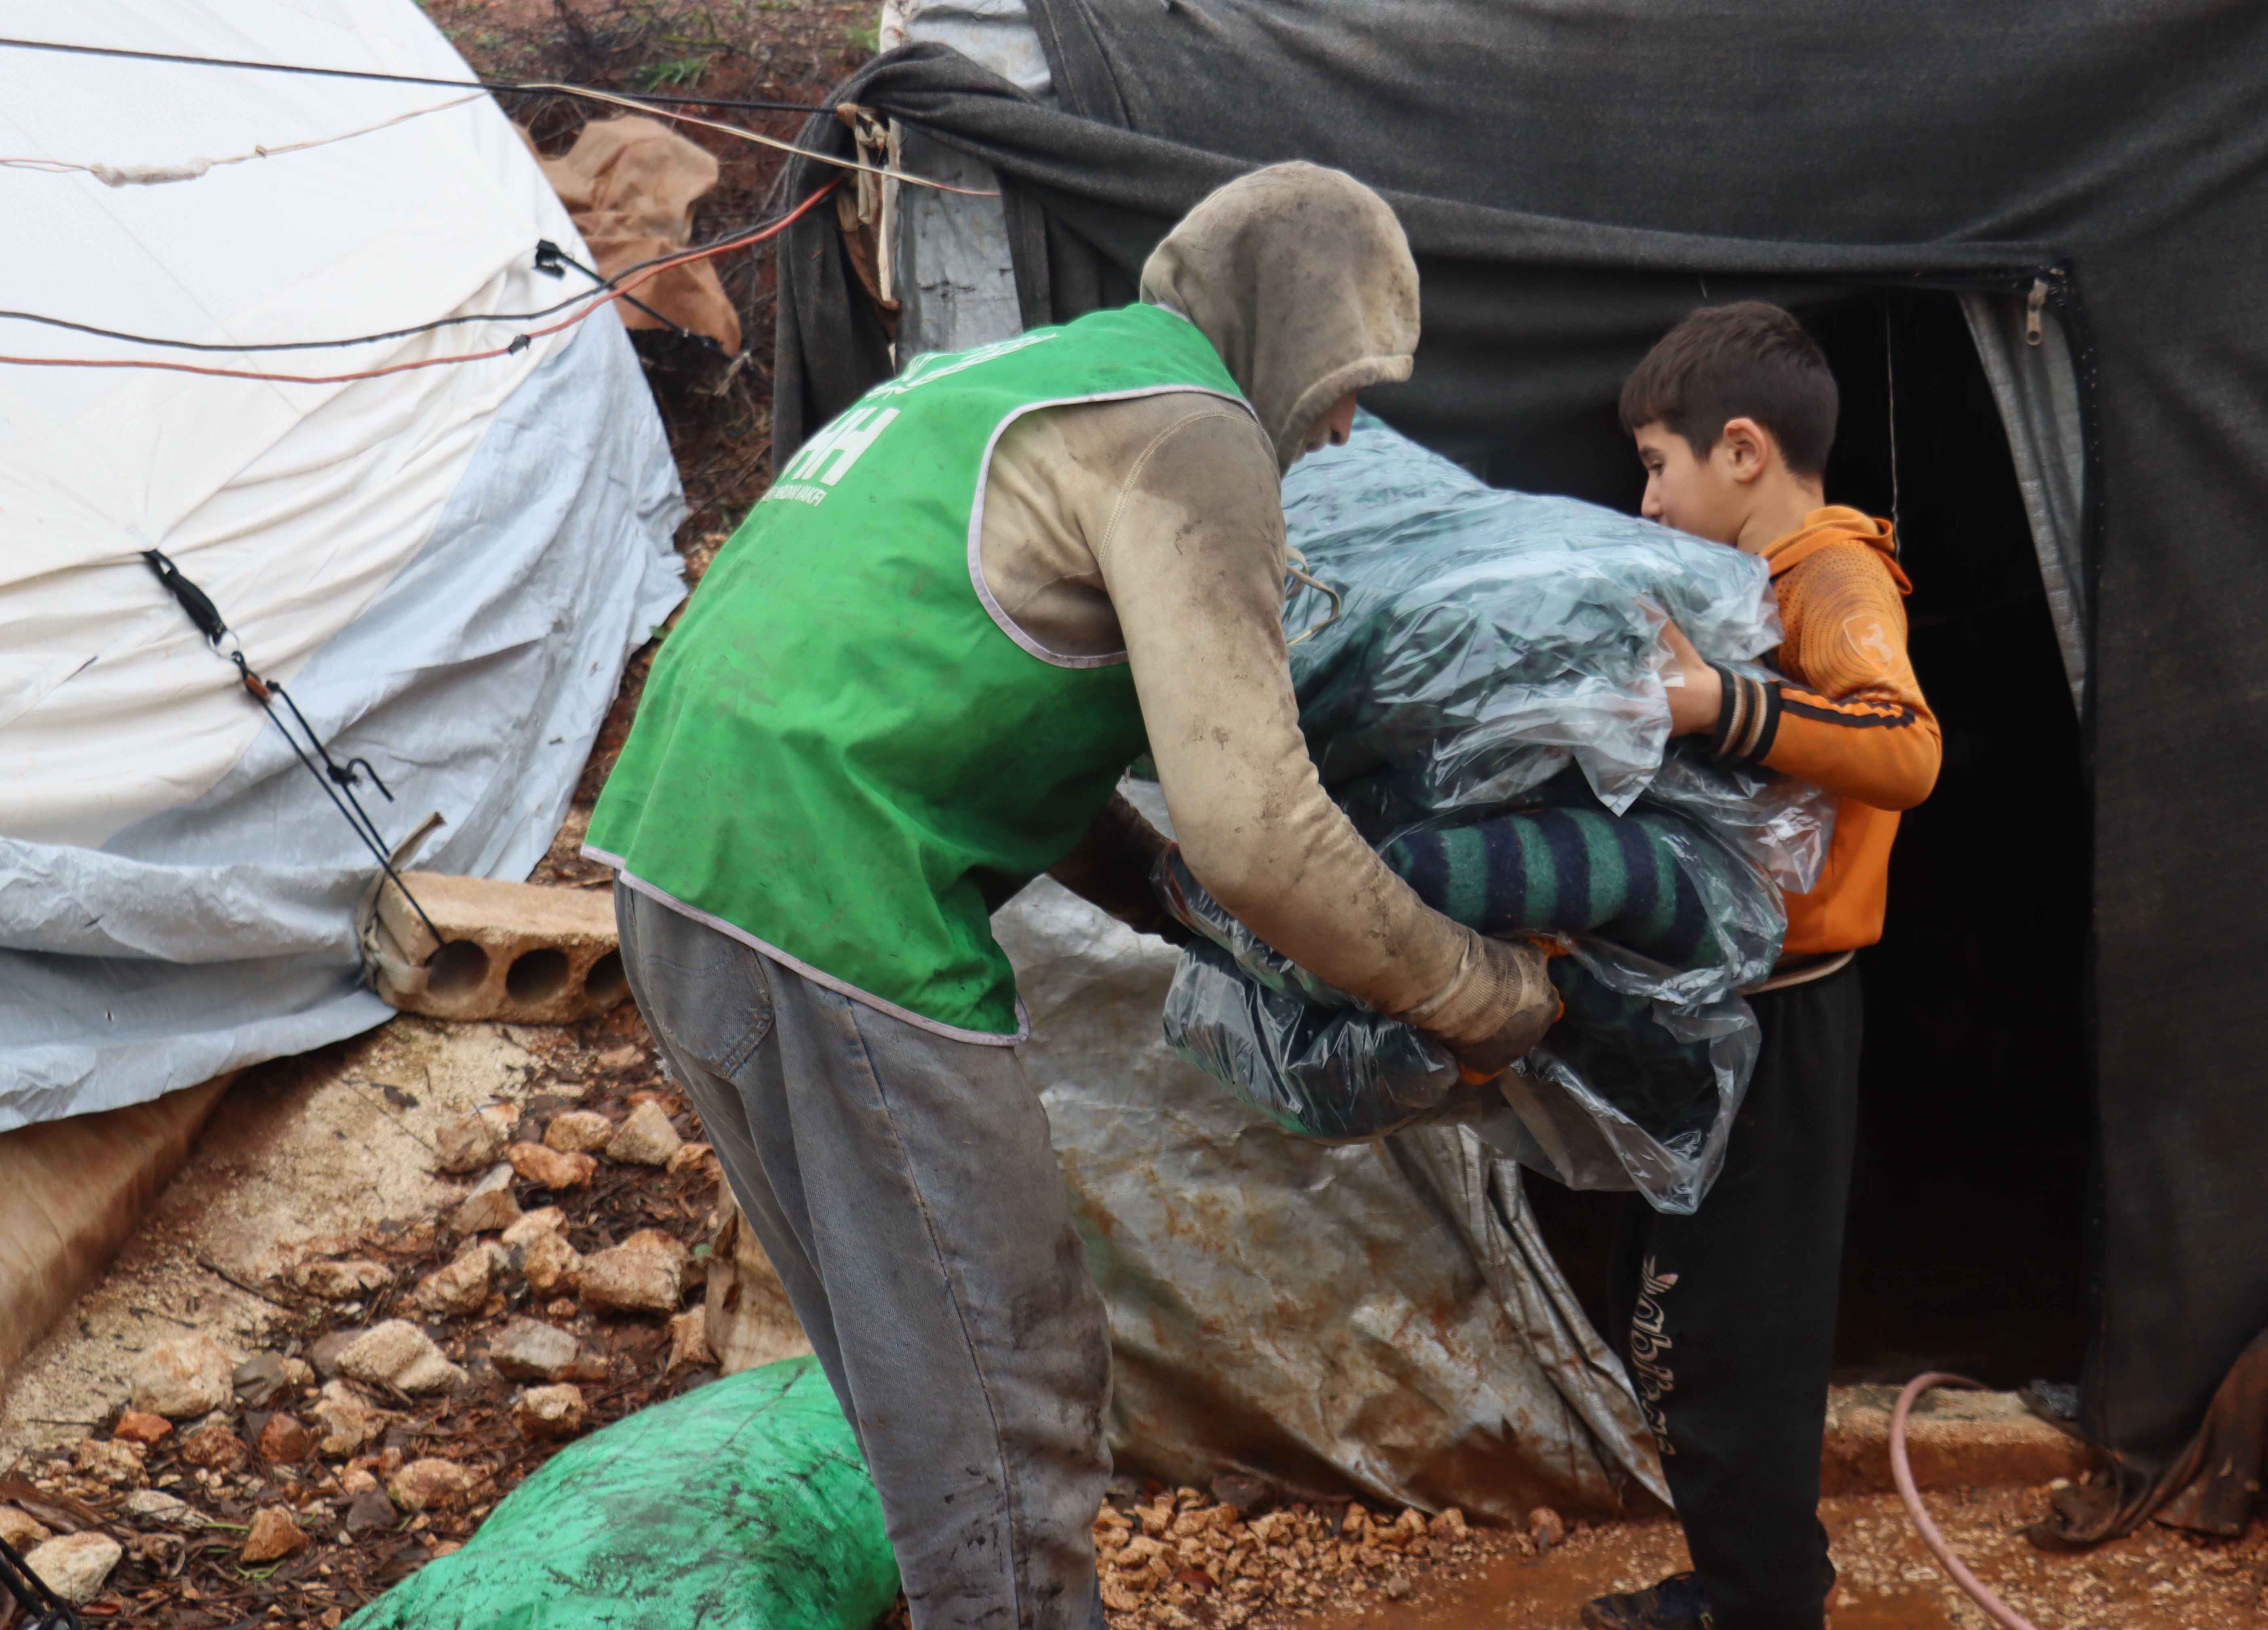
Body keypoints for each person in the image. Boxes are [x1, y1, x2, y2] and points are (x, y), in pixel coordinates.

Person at [586, 163, 1559, 1630]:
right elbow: (1261, 830)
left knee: (921, 1379)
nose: (1346, 426)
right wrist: (1479, 991)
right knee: (1005, 1391)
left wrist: (1156, 896)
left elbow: (953, 696)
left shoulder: (1027, 378)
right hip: (833, 900)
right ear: (1289, 333)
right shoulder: (1194, 432)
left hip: (683, 872)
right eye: (1349, 382)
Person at [1584, 301, 1943, 1630]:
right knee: (1664, 1309)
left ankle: (1765, 1603)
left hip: (1786, 1017)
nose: (1647, 500)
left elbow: (1906, 750)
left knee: (1737, 1331)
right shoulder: (1738, 585)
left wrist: (1716, 705)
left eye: (1656, 466)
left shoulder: (1832, 575)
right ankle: (1744, 1582)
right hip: (1712, 1005)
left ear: (1742, 450)